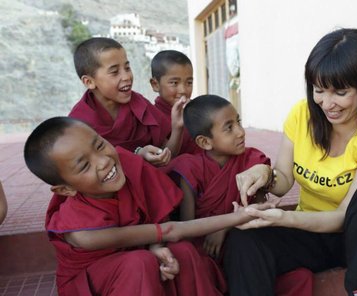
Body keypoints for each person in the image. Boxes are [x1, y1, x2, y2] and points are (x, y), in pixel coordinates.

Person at [224, 28, 357, 296]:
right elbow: (283, 180)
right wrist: (264, 173)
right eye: (319, 90)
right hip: (313, 231)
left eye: (341, 92)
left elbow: (342, 217)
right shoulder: (303, 115)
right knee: (246, 237)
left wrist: (283, 218)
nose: (327, 103)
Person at [23, 116, 270, 296]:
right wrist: (241, 217)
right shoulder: (82, 233)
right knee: (138, 264)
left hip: (136, 253)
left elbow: (158, 224)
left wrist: (156, 246)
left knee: (182, 252)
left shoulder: (128, 163)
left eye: (99, 145)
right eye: (84, 166)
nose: (104, 161)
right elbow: (172, 229)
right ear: (66, 190)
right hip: (93, 282)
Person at [171, 94, 315, 295]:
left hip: (244, 247)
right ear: (205, 142)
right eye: (229, 128)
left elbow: (259, 211)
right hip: (206, 251)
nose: (240, 132)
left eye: (238, 121)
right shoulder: (189, 169)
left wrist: (224, 227)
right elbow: (187, 228)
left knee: (300, 277)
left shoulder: (252, 161)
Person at [69, 37, 187, 167]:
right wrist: (136, 156)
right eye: (114, 72)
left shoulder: (139, 103)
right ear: (89, 82)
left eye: (127, 68)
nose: (126, 77)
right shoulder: (78, 124)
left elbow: (167, 155)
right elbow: (92, 173)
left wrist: (177, 127)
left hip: (154, 177)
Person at [150, 50, 202, 155]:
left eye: (189, 82)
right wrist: (177, 128)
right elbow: (165, 157)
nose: (183, 90)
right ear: (155, 84)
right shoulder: (152, 117)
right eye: (174, 83)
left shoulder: (197, 109)